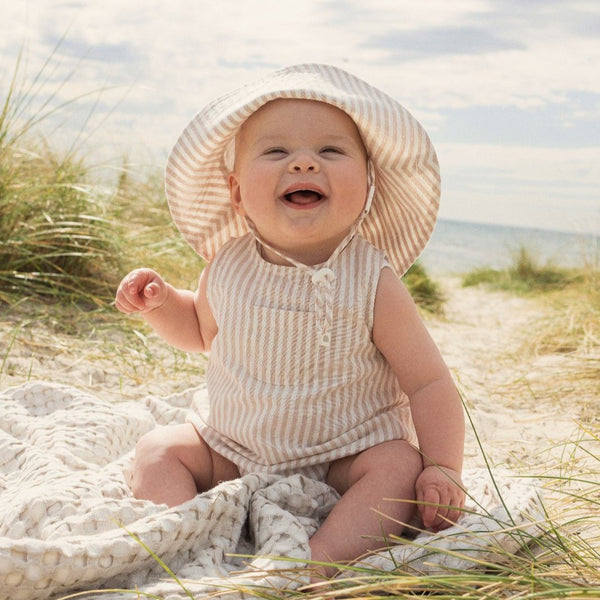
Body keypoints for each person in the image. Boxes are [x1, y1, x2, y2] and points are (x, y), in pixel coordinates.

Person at [115, 63, 465, 579]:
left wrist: (442, 466)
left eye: (331, 151)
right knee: (157, 450)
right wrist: (162, 303)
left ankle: (316, 563)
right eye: (276, 151)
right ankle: (186, 540)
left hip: (343, 458)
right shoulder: (228, 264)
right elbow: (198, 330)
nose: (303, 163)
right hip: (233, 448)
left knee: (398, 468)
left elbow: (429, 382)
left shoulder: (372, 279)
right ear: (236, 192)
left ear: (368, 185)